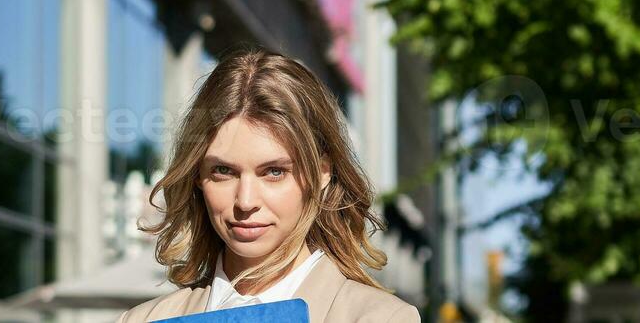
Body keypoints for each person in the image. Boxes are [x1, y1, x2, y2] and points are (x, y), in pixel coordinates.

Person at [118, 48, 420, 323]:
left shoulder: (381, 318)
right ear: (197, 175)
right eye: (223, 171)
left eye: (274, 172)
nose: (246, 201)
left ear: (322, 172)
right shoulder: (140, 321)